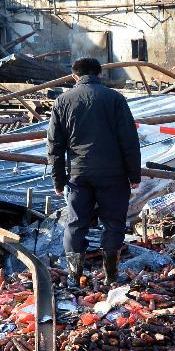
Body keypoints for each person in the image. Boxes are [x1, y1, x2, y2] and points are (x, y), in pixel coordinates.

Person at [47, 57, 140, 287]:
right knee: (113, 223)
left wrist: (58, 180)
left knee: (76, 223)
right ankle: (110, 277)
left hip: (79, 175)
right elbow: (129, 140)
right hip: (114, 174)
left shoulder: (62, 101)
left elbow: (54, 146)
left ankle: (73, 276)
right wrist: (134, 175)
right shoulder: (115, 99)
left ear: (74, 76)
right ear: (99, 74)